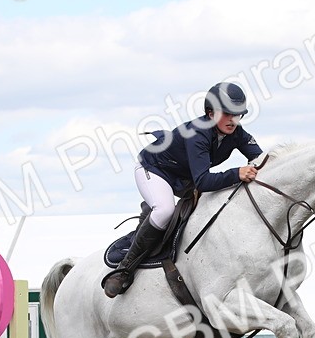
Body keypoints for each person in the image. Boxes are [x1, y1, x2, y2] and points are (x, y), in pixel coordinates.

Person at [101, 81, 264, 298]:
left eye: (238, 115)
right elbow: (203, 182)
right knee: (165, 210)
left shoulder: (237, 133)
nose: (233, 120)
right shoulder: (198, 134)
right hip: (155, 170)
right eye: (227, 114)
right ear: (210, 113)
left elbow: (260, 159)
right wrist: (236, 173)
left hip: (183, 177)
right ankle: (124, 269)